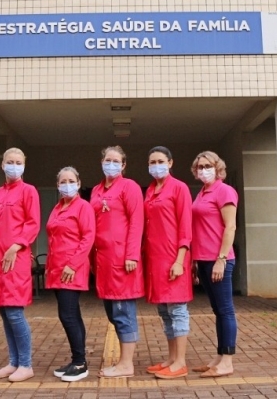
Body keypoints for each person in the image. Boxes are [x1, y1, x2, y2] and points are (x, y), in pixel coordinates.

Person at [0, 147, 41, 383]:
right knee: (4, 313)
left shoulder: (29, 191)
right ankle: (13, 362)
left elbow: (33, 223)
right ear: (2, 164)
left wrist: (16, 245)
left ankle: (26, 364)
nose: (14, 166)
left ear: (24, 165)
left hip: (15, 259)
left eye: (18, 162)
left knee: (14, 312)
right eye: (10, 161)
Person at [90, 146, 144, 378]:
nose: (110, 164)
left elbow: (137, 221)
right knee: (113, 313)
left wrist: (132, 254)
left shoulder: (129, 187)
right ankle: (123, 360)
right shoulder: (96, 190)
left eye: (116, 161)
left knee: (123, 312)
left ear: (123, 165)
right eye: (107, 160)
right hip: (103, 261)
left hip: (122, 260)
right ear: (101, 162)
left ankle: (126, 364)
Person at [143, 146, 193, 380]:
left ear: (171, 163)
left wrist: (180, 260)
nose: (156, 165)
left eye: (160, 161)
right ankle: (171, 358)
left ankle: (181, 362)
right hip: (156, 260)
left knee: (178, 310)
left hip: (174, 258)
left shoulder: (179, 188)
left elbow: (185, 226)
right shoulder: (151, 191)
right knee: (164, 311)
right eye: (152, 162)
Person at [45, 166, 95, 382]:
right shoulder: (57, 208)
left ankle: (80, 363)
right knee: (72, 314)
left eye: (71, 181)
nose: (67, 185)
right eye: (63, 182)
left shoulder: (83, 207)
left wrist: (72, 265)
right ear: (57, 185)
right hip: (56, 269)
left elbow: (88, 237)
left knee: (67, 315)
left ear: (78, 182)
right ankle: (77, 359)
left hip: (71, 270)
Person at [191, 151, 238, 378]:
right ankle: (219, 357)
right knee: (218, 310)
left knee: (226, 310)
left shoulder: (224, 191)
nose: (203, 170)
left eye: (207, 165)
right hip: (203, 259)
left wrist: (221, 259)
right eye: (200, 166)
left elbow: (230, 227)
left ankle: (227, 360)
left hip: (219, 260)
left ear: (218, 167)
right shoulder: (202, 193)